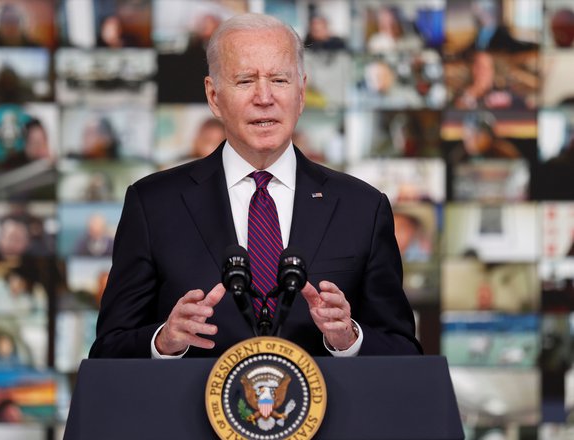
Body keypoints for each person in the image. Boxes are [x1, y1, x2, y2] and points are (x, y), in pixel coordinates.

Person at [89, 13, 421, 359]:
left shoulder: (362, 208)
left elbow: (404, 353)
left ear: (302, 92)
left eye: (279, 80)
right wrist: (164, 341)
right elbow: (107, 351)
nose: (264, 97)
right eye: (245, 81)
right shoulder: (154, 205)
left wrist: (349, 338)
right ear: (214, 96)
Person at [452, 51, 524, 110]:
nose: (483, 71)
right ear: (473, 69)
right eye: (479, 66)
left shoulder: (506, 94)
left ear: (492, 71)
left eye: (486, 67)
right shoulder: (461, 95)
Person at [448, 111, 521, 164]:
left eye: (477, 135)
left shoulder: (505, 153)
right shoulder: (458, 156)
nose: (471, 140)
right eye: (467, 135)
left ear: (490, 137)